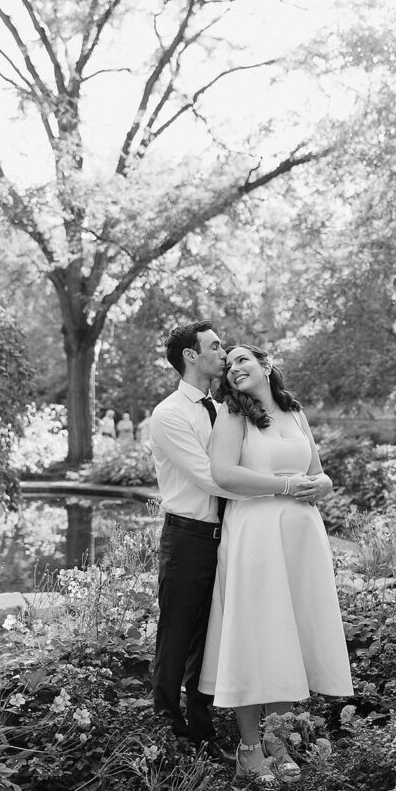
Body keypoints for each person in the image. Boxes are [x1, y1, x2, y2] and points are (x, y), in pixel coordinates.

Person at [199, 344, 354, 785]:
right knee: (255, 634)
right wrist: (286, 485)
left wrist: (321, 483)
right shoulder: (233, 415)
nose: (234, 368)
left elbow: (318, 471)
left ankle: (278, 740)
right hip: (256, 536)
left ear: (266, 365)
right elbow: (223, 474)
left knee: (286, 634)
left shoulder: (294, 412)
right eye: (228, 366)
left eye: (243, 360)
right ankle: (248, 746)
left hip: (299, 538)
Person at [149, 321, 247, 763]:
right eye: (215, 346)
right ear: (191, 356)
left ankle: (204, 735)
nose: (224, 352)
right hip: (187, 537)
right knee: (176, 638)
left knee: (209, 640)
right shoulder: (170, 413)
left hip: (223, 536)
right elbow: (211, 478)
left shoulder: (222, 407)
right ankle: (168, 733)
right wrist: (277, 488)